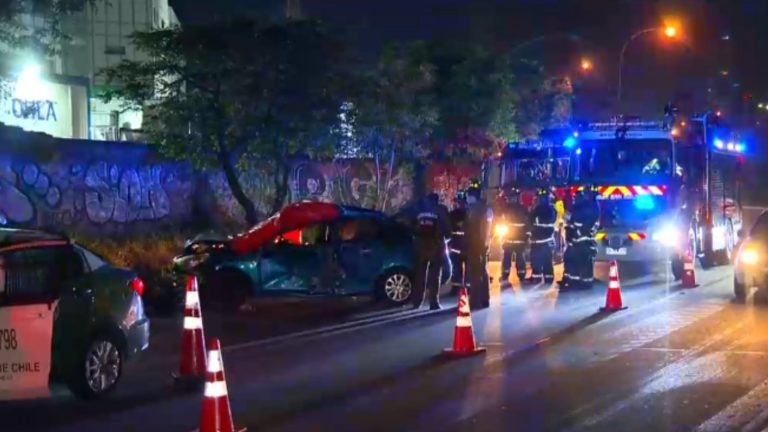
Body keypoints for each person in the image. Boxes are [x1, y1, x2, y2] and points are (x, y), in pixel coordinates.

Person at [412, 192, 451, 310]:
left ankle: (417, 302)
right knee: (435, 276)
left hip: (420, 246)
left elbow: (412, 226)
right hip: (435, 245)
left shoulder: (419, 210)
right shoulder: (441, 210)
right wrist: (446, 238)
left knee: (420, 275)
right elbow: (446, 228)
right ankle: (434, 303)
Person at [559, 188, 599, 290]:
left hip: (583, 240)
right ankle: (571, 280)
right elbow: (567, 219)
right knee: (571, 259)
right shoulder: (580, 207)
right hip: (575, 239)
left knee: (582, 260)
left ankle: (583, 282)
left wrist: (578, 232)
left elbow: (588, 224)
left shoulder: (589, 207)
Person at [465, 182, 493, 309]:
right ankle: (483, 299)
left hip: (477, 244)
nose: (467, 198)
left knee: (476, 272)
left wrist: (483, 243)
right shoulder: (484, 208)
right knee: (481, 271)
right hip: (480, 244)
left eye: (469, 196)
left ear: (473, 196)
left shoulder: (478, 209)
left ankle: (476, 300)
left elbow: (485, 228)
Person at [528, 188, 557, 284]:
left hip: (538, 239)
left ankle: (537, 277)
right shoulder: (552, 209)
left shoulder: (537, 209)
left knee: (536, 259)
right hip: (548, 240)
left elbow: (530, 221)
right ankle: (549, 278)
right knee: (547, 260)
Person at [500, 188, 529, 282]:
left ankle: (516, 275)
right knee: (511, 257)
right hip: (515, 239)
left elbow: (527, 224)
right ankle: (515, 275)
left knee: (514, 257)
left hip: (513, 239)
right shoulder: (522, 208)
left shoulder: (508, 208)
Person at [448, 190, 469, 295]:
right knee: (456, 269)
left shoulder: (453, 214)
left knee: (460, 268)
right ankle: (458, 287)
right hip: (460, 246)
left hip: (460, 246)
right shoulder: (469, 214)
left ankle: (463, 287)